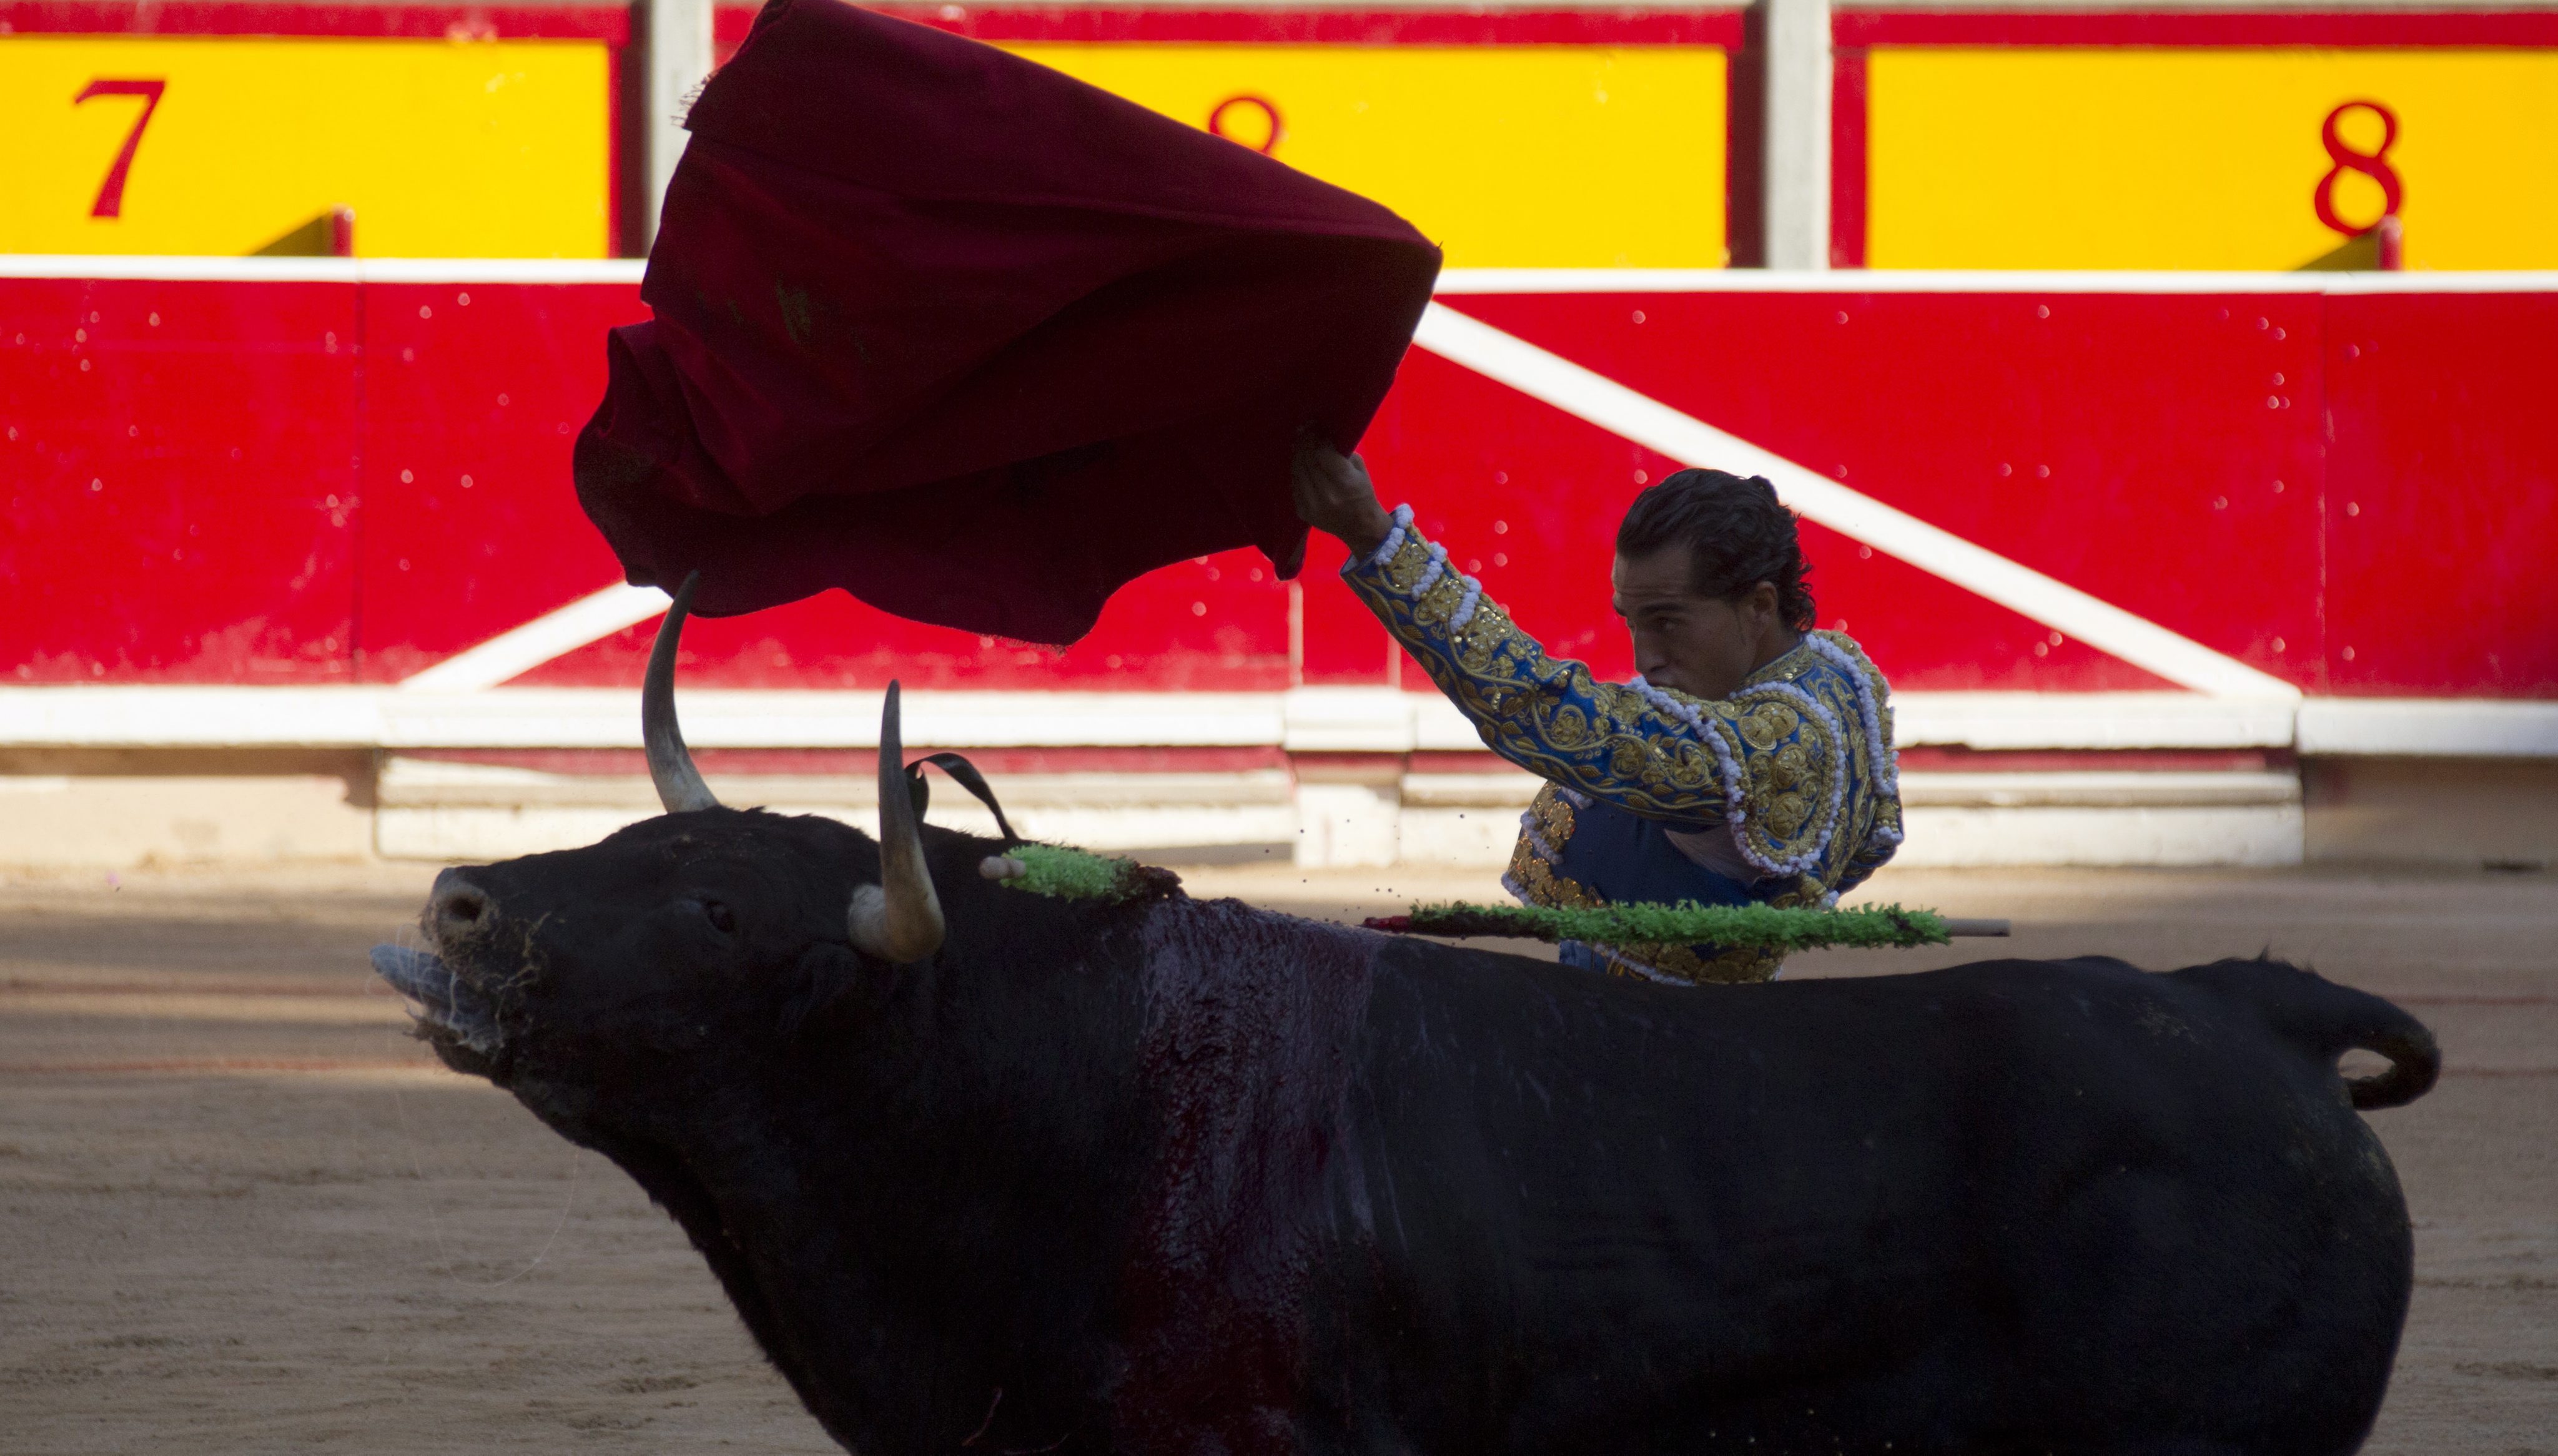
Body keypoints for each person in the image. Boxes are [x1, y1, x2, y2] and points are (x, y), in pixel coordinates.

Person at [1291, 435, 1903, 984]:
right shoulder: (1835, 671)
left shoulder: (1759, 751)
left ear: (1758, 606)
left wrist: (1377, 539)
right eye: (1633, 622)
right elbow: (1865, 847)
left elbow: (1533, 704)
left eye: (1667, 622)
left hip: (1647, 1026)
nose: (1645, 659)